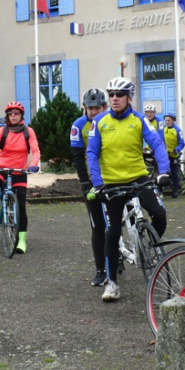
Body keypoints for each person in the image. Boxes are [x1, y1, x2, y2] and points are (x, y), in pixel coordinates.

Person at [86, 77, 170, 302]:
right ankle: (112, 283)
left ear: (129, 98)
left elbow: (157, 144)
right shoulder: (100, 121)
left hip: (139, 179)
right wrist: (97, 183)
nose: (114, 98)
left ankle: (149, 247)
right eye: (111, 94)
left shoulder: (140, 120)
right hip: (111, 183)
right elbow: (92, 154)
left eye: (119, 95)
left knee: (160, 214)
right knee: (112, 233)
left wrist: (164, 171)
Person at [0, 101, 41, 253]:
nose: (13, 115)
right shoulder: (2, 131)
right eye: (10, 113)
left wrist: (33, 164)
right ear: (7, 116)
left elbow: (35, 150)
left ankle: (22, 241)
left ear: (21, 115)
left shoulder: (28, 132)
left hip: (19, 172)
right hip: (1, 169)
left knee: (20, 207)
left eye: (16, 113)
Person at [70, 88, 109, 286]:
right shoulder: (78, 126)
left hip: (113, 179)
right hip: (92, 182)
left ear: (105, 107)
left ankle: (117, 255)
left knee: (116, 222)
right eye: (89, 108)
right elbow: (78, 158)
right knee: (98, 226)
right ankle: (101, 269)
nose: (93, 112)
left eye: (97, 108)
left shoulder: (111, 123)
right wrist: (85, 183)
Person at [160, 113, 185, 198]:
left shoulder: (178, 130)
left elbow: (182, 143)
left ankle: (175, 190)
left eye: (169, 120)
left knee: (174, 172)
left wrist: (176, 150)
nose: (167, 122)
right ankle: (160, 191)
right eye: (166, 120)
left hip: (174, 154)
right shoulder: (163, 129)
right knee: (162, 172)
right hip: (165, 154)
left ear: (173, 120)